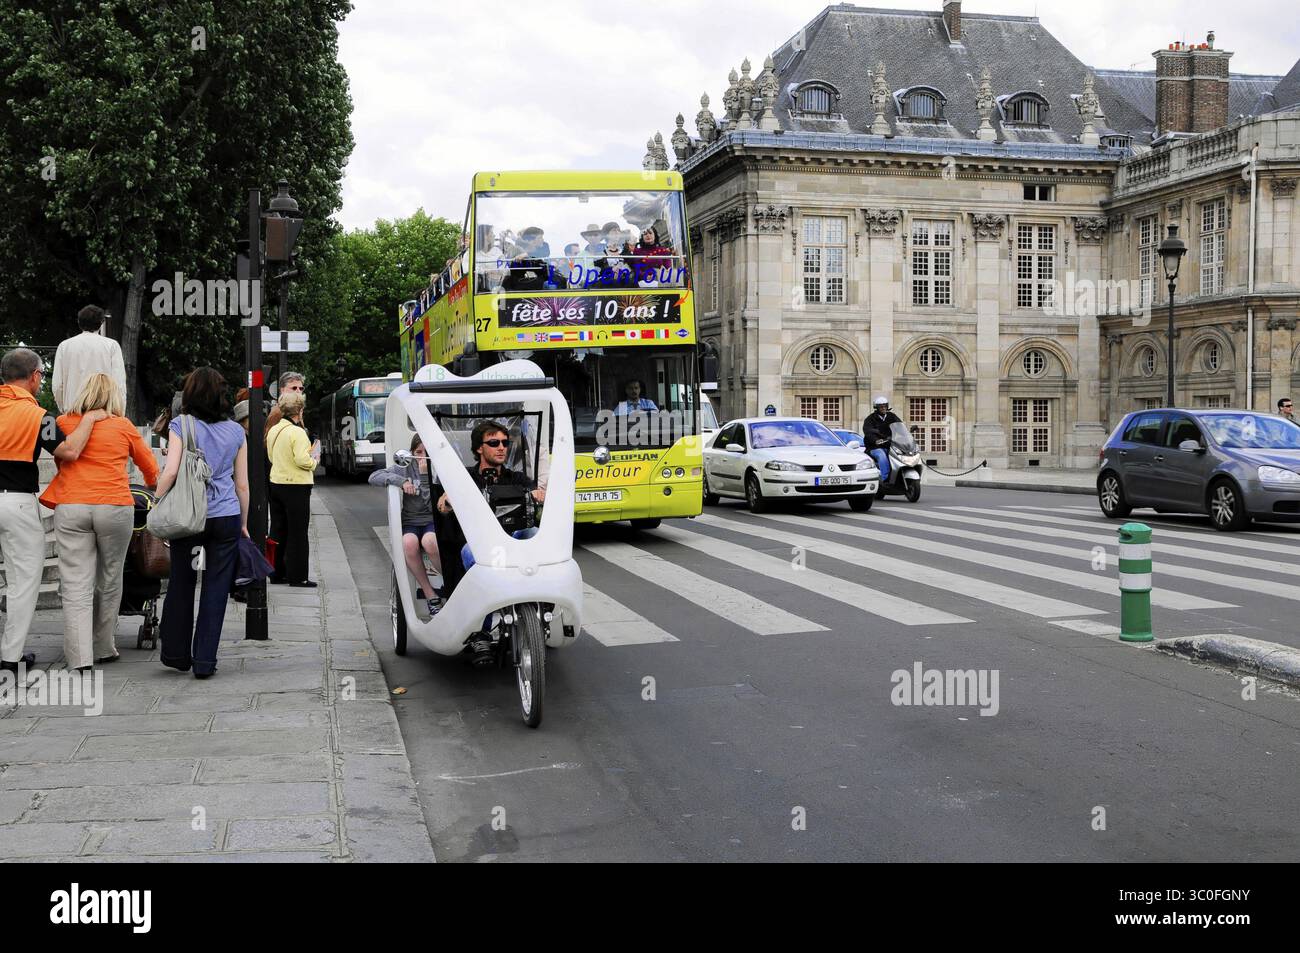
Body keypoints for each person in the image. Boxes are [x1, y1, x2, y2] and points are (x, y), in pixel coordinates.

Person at [40, 374, 159, 670]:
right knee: (110, 577)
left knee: (75, 581)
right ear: (113, 397)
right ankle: (104, 645)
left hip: (72, 505)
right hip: (114, 506)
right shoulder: (124, 426)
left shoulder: (64, 423)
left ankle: (79, 656)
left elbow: (59, 458)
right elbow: (151, 469)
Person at [0, 349, 100, 674]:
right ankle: (9, 658)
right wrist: (89, 419)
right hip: (16, 503)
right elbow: (69, 451)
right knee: (23, 581)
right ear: (34, 376)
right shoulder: (38, 417)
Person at [156, 367, 249, 678]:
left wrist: (158, 502)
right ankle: (205, 662)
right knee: (216, 588)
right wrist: (244, 523)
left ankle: (176, 654)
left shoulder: (181, 424)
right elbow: (243, 484)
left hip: (189, 515)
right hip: (226, 516)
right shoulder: (236, 431)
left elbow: (170, 472)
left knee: (181, 582)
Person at [433, 420, 545, 662]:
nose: (501, 447)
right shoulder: (465, 477)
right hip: (481, 545)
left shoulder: (516, 477)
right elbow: (442, 505)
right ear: (479, 449)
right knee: (471, 556)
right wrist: (449, 500)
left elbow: (539, 493)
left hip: (514, 539)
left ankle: (539, 611)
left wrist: (540, 494)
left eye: (505, 443)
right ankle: (481, 631)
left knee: (536, 536)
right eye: (494, 443)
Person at [369, 435, 443, 616]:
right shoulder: (405, 468)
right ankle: (430, 594)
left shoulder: (438, 469)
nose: (421, 457)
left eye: (426, 453)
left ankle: (452, 581)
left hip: (432, 521)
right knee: (408, 543)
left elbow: (429, 505)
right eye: (418, 452)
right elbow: (374, 476)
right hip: (411, 521)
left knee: (430, 542)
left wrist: (425, 477)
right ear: (411, 453)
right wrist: (401, 482)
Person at [266, 390, 318, 588]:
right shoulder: (298, 432)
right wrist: (314, 461)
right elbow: (302, 459)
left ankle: (275, 572)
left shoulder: (274, 430)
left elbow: (271, 456)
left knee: (278, 530)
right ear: (300, 410)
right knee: (298, 532)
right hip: (296, 485)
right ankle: (298, 576)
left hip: (276, 482)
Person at [51, 305, 127, 414]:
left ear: (79, 322)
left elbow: (58, 385)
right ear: (101, 323)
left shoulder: (64, 346)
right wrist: (120, 412)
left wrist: (64, 408)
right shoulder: (112, 346)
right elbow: (119, 383)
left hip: (73, 413)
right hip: (104, 414)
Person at [863, 395, 902, 482]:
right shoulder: (870, 419)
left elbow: (899, 426)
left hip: (890, 445)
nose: (884, 408)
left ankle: (899, 476)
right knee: (882, 456)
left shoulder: (891, 416)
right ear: (876, 408)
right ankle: (885, 478)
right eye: (881, 407)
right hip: (875, 447)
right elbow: (868, 431)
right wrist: (875, 440)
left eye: (885, 406)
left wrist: (906, 434)